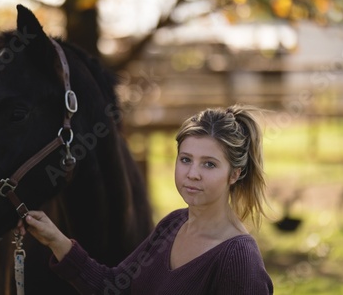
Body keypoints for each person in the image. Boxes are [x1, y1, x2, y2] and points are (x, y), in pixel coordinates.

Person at [17, 104, 274, 294]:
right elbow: (113, 287)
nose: (192, 174)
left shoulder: (239, 259)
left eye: (209, 164)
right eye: (185, 160)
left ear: (235, 174)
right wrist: (55, 239)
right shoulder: (173, 225)